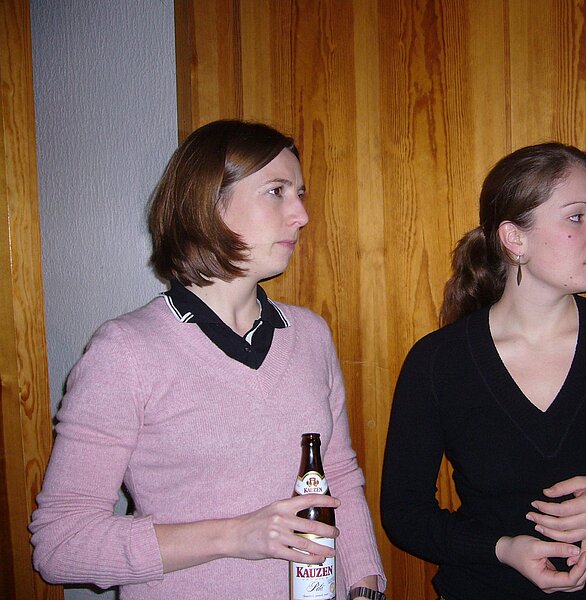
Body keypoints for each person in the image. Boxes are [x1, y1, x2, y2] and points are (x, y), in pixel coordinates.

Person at [30, 120, 386, 600]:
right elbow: (61, 544)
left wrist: (365, 587)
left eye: (300, 193)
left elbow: (337, 473)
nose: (301, 214)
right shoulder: (126, 351)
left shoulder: (310, 335)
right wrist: (235, 536)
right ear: (208, 205)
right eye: (276, 191)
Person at [380, 143, 586, 599]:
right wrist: (501, 549)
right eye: (577, 217)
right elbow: (405, 515)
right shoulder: (438, 362)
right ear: (515, 239)